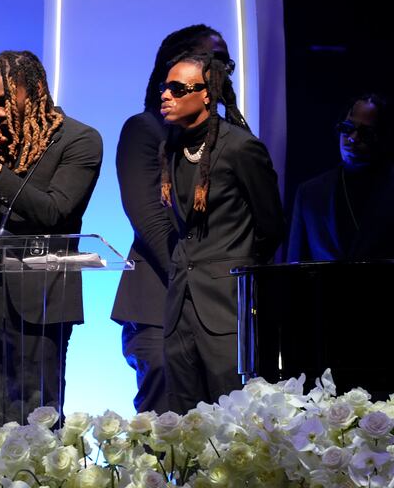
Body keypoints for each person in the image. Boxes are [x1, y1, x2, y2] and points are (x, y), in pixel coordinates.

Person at [0, 50, 103, 424]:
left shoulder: (80, 140)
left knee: (38, 417)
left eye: (3, 101)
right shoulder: (4, 144)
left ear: (33, 89)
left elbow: (53, 212)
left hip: (42, 298)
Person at [111, 25, 243, 415]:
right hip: (160, 306)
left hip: (217, 309)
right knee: (167, 437)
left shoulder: (232, 137)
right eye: (214, 60)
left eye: (226, 63)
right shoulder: (146, 129)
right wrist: (203, 280)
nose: (224, 70)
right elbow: (151, 221)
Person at [159, 52, 284, 413]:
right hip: (181, 302)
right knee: (185, 422)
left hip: (228, 308)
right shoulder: (172, 148)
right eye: (165, 87)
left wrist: (231, 270)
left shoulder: (241, 148)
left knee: (233, 417)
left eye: (178, 88)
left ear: (207, 94)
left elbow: (271, 226)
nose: (166, 95)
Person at [288, 93, 394, 261]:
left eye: (365, 133)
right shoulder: (309, 193)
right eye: (347, 128)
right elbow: (295, 268)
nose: (353, 138)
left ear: (381, 137)